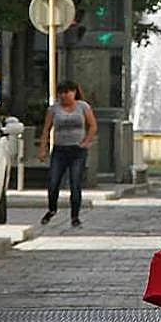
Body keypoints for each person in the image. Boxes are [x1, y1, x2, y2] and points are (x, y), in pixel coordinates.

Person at [38, 79, 99, 229]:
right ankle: (52, 209)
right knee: (53, 182)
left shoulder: (83, 106)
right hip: (60, 150)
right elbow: (46, 129)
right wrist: (43, 148)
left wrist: (86, 142)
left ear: (74, 92)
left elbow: (92, 126)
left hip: (77, 151)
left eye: (67, 92)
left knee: (75, 183)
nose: (64, 96)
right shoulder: (54, 109)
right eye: (61, 93)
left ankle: (75, 216)